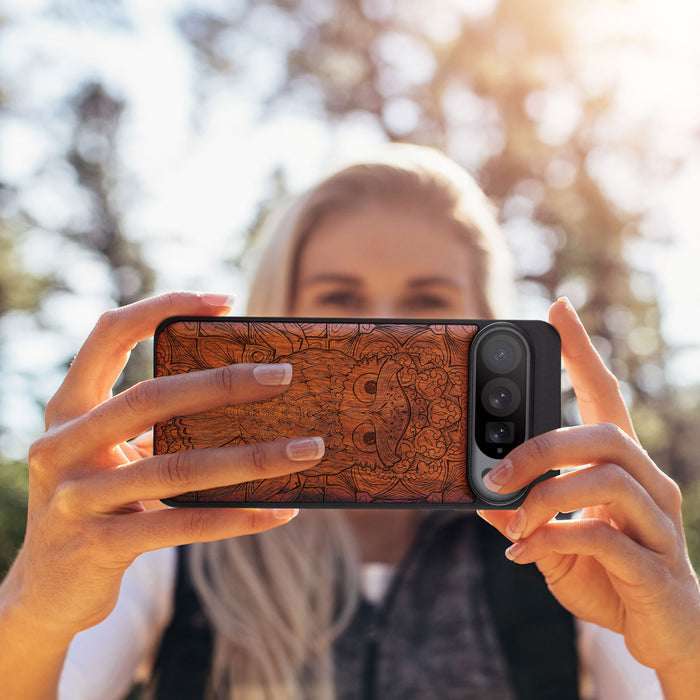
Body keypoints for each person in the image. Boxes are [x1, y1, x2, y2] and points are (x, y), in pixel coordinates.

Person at [0, 145, 698, 700]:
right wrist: (34, 608)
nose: (387, 329)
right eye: (340, 300)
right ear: (278, 316)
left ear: (487, 324)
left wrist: (685, 648)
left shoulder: (567, 543)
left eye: (428, 302)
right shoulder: (171, 535)